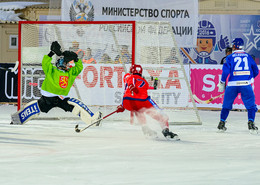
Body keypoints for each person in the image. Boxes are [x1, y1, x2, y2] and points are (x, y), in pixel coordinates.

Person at [11, 41, 101, 125]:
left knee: (76, 105)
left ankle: (92, 119)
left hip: (60, 99)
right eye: (66, 64)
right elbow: (46, 63)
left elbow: (78, 67)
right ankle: (17, 119)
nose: (67, 66)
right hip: (50, 98)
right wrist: (53, 53)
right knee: (35, 107)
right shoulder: (56, 71)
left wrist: (75, 58)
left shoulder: (67, 72)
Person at [115, 64, 179, 140]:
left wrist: (123, 105)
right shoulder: (141, 80)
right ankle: (166, 130)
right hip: (142, 101)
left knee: (138, 110)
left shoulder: (128, 77)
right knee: (159, 113)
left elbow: (127, 89)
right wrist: (133, 86)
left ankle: (145, 128)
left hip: (128, 101)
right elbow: (132, 83)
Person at [217, 38, 259, 133]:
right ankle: (251, 124)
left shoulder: (230, 57)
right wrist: (251, 78)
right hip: (245, 85)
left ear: (235, 46)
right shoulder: (248, 56)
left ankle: (221, 123)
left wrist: (222, 82)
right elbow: (256, 70)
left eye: (233, 45)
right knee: (251, 106)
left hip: (232, 85)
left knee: (226, 105)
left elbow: (226, 71)